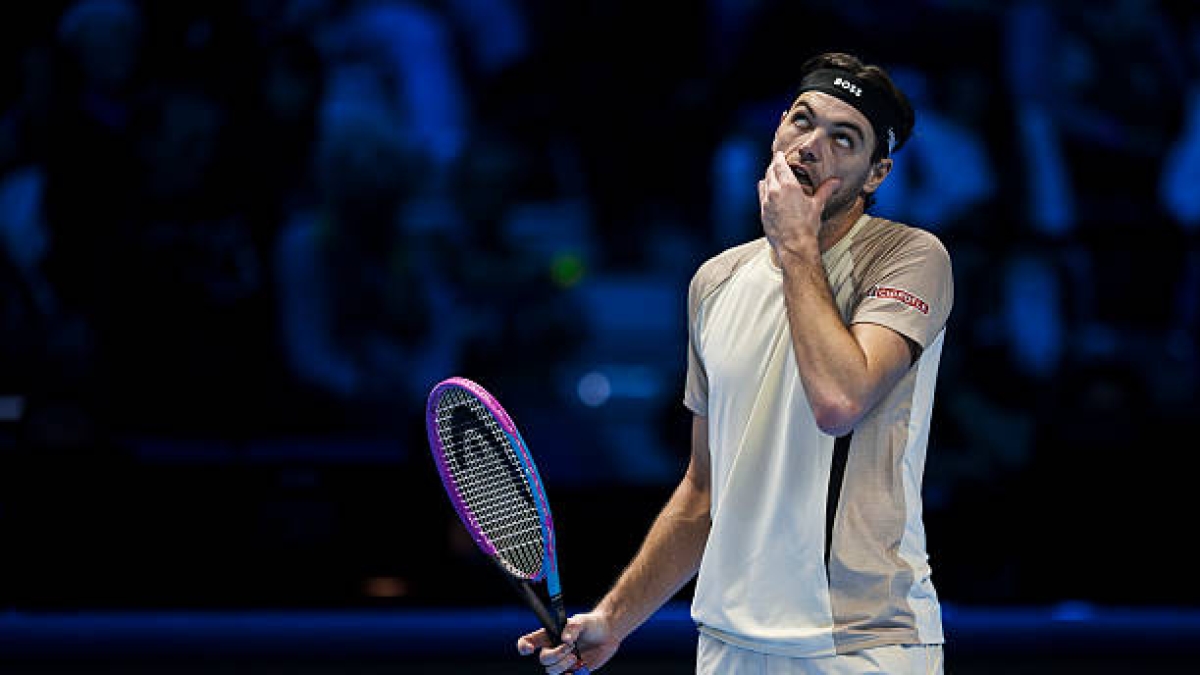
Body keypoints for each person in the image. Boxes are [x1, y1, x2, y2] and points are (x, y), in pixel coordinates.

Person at [517, 51, 953, 674]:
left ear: (875, 173)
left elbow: (839, 401)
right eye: (802, 122)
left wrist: (797, 243)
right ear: (778, 127)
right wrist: (614, 618)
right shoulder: (714, 282)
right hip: (729, 644)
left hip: (863, 646)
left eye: (843, 139)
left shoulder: (909, 258)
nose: (811, 146)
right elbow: (703, 491)